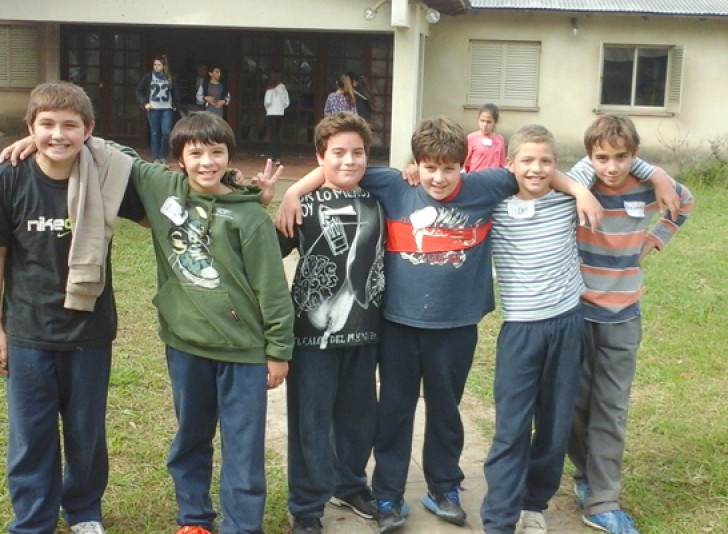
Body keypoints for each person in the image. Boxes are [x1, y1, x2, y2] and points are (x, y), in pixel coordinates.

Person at [277, 117, 602, 533]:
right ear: (416, 164)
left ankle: (444, 486)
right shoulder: (393, 185)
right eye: (429, 167)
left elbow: (532, 168)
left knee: (446, 410)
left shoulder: (486, 186)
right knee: (394, 411)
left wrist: (579, 189)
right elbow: (338, 165)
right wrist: (294, 191)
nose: (439, 177)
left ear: (464, 166)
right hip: (398, 324)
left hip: (457, 325)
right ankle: (388, 494)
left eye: (449, 168)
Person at [480, 123, 678, 534]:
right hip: (520, 331)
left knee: (556, 425)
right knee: (512, 427)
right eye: (527, 161)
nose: (536, 169)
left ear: (557, 165)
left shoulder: (567, 199)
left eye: (545, 162)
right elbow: (450, 186)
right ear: (510, 163)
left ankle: (535, 502)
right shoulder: (494, 204)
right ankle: (499, 519)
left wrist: (656, 177)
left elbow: (607, 157)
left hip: (568, 323)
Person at [0, 81, 145, 534]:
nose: (58, 134)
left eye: (70, 125)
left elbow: (154, 213)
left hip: (89, 331)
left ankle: (84, 510)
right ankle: (34, 518)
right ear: (30, 129)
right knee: (31, 434)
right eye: (47, 124)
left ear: (89, 130)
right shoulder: (9, 177)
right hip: (28, 331)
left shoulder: (106, 174)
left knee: (85, 431)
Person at [124, 113, 293, 534]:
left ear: (229, 157)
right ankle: (194, 517)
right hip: (186, 346)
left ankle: (242, 525)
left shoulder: (250, 217)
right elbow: (113, 152)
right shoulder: (162, 188)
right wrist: (38, 141)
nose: (206, 162)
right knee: (191, 438)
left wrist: (278, 351)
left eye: (216, 152)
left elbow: (272, 290)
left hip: (244, 353)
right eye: (195, 153)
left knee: (243, 446)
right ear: (179, 158)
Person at [566, 115, 694, 534]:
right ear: (590, 157)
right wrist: (645, 169)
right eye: (602, 157)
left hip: (623, 317)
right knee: (574, 404)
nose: (612, 167)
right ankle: (585, 475)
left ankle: (604, 499)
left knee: (611, 407)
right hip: (577, 313)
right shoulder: (580, 184)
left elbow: (686, 202)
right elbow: (564, 178)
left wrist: (656, 237)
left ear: (633, 155)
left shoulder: (647, 186)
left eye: (622, 157)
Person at [278, 112, 385, 534]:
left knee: (359, 419)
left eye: (357, 152)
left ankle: (350, 485)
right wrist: (290, 192)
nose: (348, 161)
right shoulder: (301, 206)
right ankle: (306, 506)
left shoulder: (379, 198)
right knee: (310, 422)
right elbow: (267, 256)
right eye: (338, 152)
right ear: (320, 156)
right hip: (311, 339)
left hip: (365, 331)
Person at [136, 54, 179, 163]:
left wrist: (175, 105)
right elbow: (139, 91)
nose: (156, 67)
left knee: (166, 132)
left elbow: (176, 93)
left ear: (164, 66)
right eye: (154, 64)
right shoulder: (148, 76)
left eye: (158, 65)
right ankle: (156, 157)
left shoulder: (170, 77)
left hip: (167, 108)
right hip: (153, 109)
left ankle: (163, 155)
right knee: (155, 132)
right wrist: (144, 103)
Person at [464, 103, 506, 173]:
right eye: (482, 121)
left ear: (495, 122)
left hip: (493, 178)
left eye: (488, 122)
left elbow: (501, 164)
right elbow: (465, 162)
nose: (485, 125)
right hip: (476, 177)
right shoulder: (471, 138)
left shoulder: (500, 139)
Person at [264, 69, 290, 165]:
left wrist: (269, 108)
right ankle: (278, 156)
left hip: (271, 113)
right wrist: (281, 108)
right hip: (280, 113)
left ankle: (275, 156)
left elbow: (267, 102)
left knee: (273, 135)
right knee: (278, 135)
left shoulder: (270, 89)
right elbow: (287, 102)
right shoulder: (283, 88)